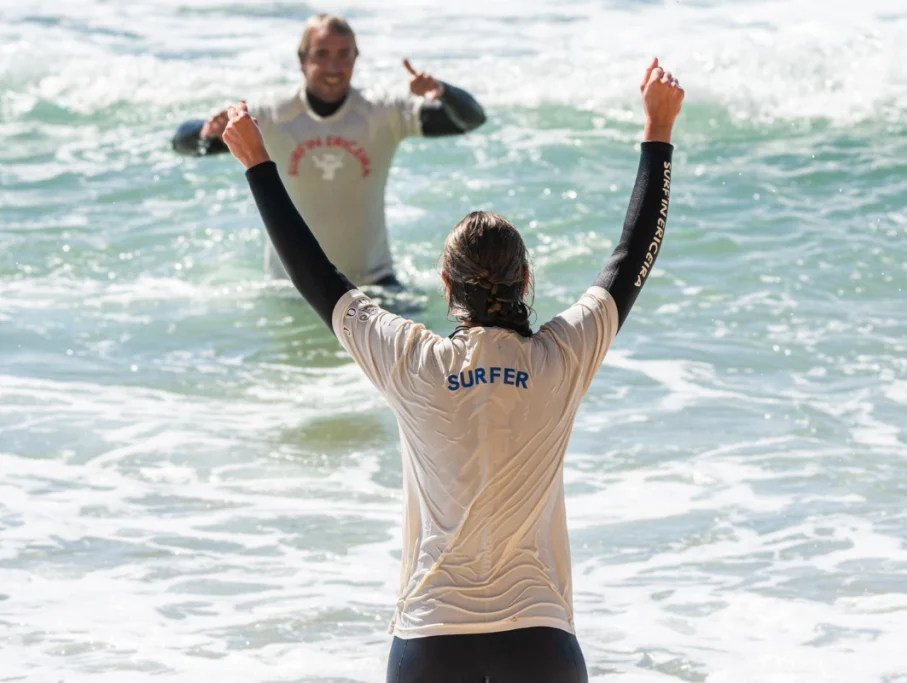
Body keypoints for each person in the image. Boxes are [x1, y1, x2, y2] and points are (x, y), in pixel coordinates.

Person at [222, 57, 684, 683]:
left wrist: (258, 164)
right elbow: (632, 257)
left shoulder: (411, 360)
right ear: (526, 280)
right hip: (542, 641)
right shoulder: (563, 356)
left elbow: (315, 275)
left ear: (445, 284)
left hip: (431, 639)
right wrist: (658, 130)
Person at [171, 13, 486, 287]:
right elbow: (184, 144)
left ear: (355, 59)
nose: (333, 66)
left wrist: (441, 91)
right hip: (292, 285)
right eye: (321, 54)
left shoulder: (383, 111)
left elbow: (470, 119)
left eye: (343, 55)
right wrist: (207, 129)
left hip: (373, 283)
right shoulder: (270, 114)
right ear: (302, 60)